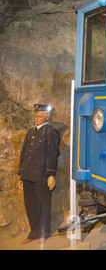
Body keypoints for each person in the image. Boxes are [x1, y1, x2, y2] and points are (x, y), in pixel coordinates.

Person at [18, 104, 60, 245]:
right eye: (36, 115)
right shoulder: (31, 132)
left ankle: (43, 233)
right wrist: (21, 173)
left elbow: (53, 154)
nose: (36, 118)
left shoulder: (51, 132)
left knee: (43, 204)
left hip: (42, 176)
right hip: (28, 174)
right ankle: (34, 232)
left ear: (47, 117)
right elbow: (24, 152)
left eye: (40, 116)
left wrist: (51, 175)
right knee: (30, 205)